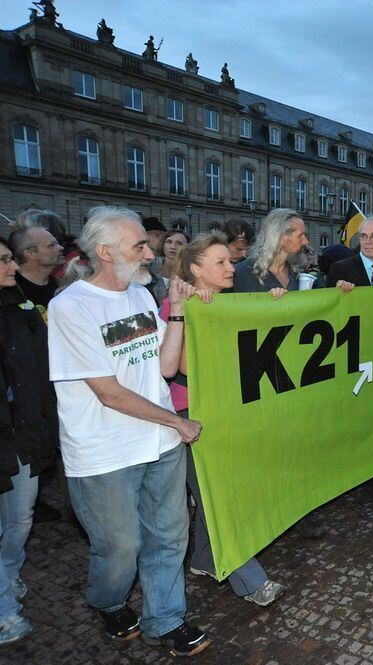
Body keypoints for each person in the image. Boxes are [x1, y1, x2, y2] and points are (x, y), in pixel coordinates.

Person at [47, 206, 211, 657]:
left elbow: (164, 366)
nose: (149, 251)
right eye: (138, 245)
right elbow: (109, 393)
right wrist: (177, 421)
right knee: (120, 547)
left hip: (159, 444)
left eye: (146, 243)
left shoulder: (140, 295)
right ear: (104, 251)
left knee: (169, 537)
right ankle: (108, 600)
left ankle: (166, 620)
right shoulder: (70, 307)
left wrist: (176, 313)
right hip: (104, 452)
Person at [163, 233, 287, 606]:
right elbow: (184, 368)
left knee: (210, 490)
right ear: (195, 269)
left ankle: (203, 559)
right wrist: (199, 317)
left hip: (228, 410)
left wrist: (276, 309)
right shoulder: (176, 308)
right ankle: (251, 582)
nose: (231, 267)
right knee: (218, 493)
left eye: (229, 261)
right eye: (221, 262)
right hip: (191, 414)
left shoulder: (232, 303)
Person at [0, 237, 58, 645]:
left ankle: (8, 571)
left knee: (20, 518)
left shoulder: (19, 308)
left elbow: (40, 370)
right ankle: (5, 610)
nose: (11, 265)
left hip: (22, 434)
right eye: (3, 260)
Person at [232, 208, 310, 295]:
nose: (305, 241)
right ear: (281, 237)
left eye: (305, 235)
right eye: (300, 236)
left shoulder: (299, 275)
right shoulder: (240, 274)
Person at [326, 217, 373, 289]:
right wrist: (340, 290)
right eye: (363, 236)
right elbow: (331, 300)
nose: (368, 242)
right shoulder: (340, 269)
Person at [8, 226, 64, 319]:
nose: (61, 248)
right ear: (31, 254)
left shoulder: (62, 286)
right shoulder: (10, 291)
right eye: (52, 245)